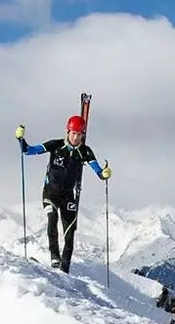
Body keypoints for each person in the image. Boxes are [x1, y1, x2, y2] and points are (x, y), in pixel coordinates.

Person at [17, 114, 110, 272]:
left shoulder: (85, 152)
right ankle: (54, 257)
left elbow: (98, 171)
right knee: (52, 219)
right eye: (73, 133)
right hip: (50, 193)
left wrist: (105, 173)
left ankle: (65, 268)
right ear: (68, 132)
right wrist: (20, 139)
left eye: (79, 134)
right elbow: (28, 151)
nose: (75, 137)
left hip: (68, 196)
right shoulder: (56, 145)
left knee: (70, 233)